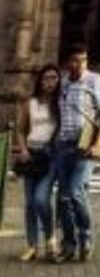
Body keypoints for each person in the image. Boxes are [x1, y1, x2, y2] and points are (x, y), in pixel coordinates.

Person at [55, 43, 100, 262]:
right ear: (68, 62)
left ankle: (86, 237)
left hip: (85, 145)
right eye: (76, 60)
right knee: (63, 197)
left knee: (76, 192)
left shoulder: (95, 80)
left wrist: (98, 141)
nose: (80, 64)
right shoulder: (63, 82)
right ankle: (68, 244)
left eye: (84, 60)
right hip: (63, 144)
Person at [14, 64, 61, 262]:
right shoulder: (30, 103)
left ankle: (50, 238)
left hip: (50, 157)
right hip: (31, 156)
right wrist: (23, 149)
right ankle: (32, 245)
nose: (50, 82)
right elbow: (20, 130)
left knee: (41, 199)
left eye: (54, 78)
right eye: (46, 78)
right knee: (29, 204)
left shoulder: (61, 104)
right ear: (40, 81)